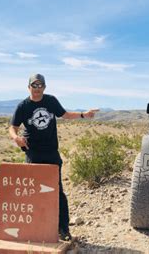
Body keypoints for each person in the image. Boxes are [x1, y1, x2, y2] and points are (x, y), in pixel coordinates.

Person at [9, 73, 99, 241]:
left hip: (51, 153)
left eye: (40, 85)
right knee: (33, 192)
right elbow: (12, 127)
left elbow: (64, 115)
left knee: (57, 191)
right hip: (32, 154)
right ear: (28, 87)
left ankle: (63, 229)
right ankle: (35, 228)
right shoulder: (23, 106)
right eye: (34, 86)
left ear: (44, 87)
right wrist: (16, 138)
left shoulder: (50, 101)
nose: (37, 89)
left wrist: (83, 115)